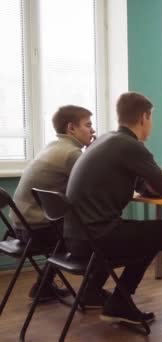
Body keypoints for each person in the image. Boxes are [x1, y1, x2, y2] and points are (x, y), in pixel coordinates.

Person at [63, 92, 162, 326]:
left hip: (74, 237)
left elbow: (141, 181)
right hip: (96, 237)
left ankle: (107, 297)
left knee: (150, 234)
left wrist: (151, 186)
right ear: (144, 117)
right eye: (151, 119)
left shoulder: (106, 140)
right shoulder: (131, 146)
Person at [11, 105, 95, 302]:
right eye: (88, 125)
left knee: (68, 225)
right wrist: (95, 153)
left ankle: (43, 286)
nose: (92, 130)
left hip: (20, 226)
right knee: (95, 234)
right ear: (71, 128)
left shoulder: (54, 146)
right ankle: (92, 293)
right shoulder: (72, 154)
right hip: (37, 230)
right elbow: (94, 188)